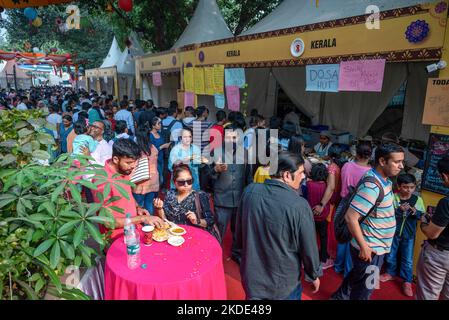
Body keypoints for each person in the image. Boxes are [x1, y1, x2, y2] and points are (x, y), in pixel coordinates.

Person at [236, 151, 321, 300]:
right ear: (287, 175)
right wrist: (313, 274)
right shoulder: (299, 205)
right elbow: (308, 247)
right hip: (283, 283)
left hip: (252, 277)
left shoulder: (250, 191)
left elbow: (240, 231)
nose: (303, 177)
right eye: (301, 173)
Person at [331, 143, 405, 300]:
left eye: (402, 162)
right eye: (397, 162)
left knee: (357, 276)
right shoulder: (372, 185)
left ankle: (339, 297)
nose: (401, 166)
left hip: (375, 247)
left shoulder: (384, 180)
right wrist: (364, 247)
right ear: (382, 161)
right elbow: (350, 217)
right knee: (366, 289)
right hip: (371, 249)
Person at [93, 139, 164, 242]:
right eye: (129, 162)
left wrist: (137, 207)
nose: (133, 166)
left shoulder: (124, 171)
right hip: (116, 238)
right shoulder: (101, 180)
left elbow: (127, 195)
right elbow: (108, 222)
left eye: (135, 162)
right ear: (116, 159)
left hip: (131, 231)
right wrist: (142, 219)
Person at [207, 125, 253, 263]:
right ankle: (214, 254)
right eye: (229, 137)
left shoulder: (244, 152)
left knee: (238, 229)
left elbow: (248, 176)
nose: (232, 140)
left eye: (235, 137)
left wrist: (249, 194)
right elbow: (207, 176)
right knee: (219, 227)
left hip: (239, 198)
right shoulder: (215, 152)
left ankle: (236, 253)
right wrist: (215, 170)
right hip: (222, 198)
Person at [380, 173, 425, 297]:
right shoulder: (393, 197)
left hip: (409, 234)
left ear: (415, 187)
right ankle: (390, 273)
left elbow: (422, 216)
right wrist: (399, 210)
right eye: (405, 187)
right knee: (391, 255)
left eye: (411, 187)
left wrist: (415, 212)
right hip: (393, 232)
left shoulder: (417, 200)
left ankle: (407, 281)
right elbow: (387, 214)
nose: (409, 190)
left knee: (407, 260)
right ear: (399, 186)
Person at [335, 141, 373, 277]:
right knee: (353, 238)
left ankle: (338, 266)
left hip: (343, 203)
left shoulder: (347, 166)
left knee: (342, 234)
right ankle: (347, 271)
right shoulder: (370, 173)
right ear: (370, 155)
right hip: (360, 207)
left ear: (356, 153)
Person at [416, 155, 449, 300]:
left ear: (444, 176)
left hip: (440, 256)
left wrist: (423, 222)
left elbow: (432, 233)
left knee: (427, 294)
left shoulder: (446, 202)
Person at [153, 164, 215, 231]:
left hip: (193, 236)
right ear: (174, 182)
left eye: (189, 181)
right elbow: (165, 221)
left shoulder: (200, 196)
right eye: (181, 182)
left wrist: (196, 221)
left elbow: (210, 221)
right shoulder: (169, 194)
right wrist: (159, 208)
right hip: (173, 236)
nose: (186, 185)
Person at [307, 163, 333, 269]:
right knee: (323, 236)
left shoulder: (308, 184)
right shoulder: (326, 187)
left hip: (310, 216)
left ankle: (310, 257)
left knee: (311, 238)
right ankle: (323, 257)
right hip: (323, 216)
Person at [131, 126, 159, 214]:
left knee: (139, 206)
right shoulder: (153, 148)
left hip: (140, 182)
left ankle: (141, 226)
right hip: (153, 180)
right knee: (149, 204)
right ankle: (149, 225)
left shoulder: (137, 150)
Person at [149, 117, 171, 186]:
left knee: (162, 175)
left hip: (161, 157)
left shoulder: (159, 133)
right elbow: (151, 151)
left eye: (160, 123)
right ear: (153, 126)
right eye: (158, 124)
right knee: (159, 178)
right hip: (155, 160)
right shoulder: (150, 136)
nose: (160, 125)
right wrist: (163, 146)